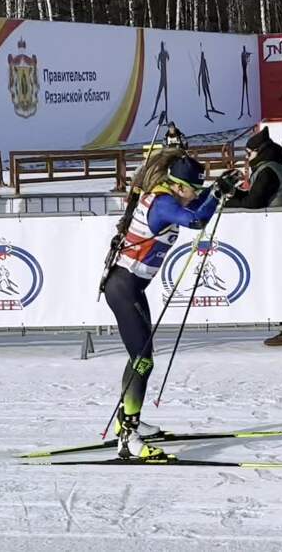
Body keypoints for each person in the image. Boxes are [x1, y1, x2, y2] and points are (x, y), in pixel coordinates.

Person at [104, 152, 236, 459]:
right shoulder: (163, 203)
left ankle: (126, 420)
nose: (194, 195)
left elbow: (199, 202)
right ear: (177, 186)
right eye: (192, 190)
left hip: (130, 286)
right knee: (143, 361)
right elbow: (197, 219)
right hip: (124, 287)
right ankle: (128, 437)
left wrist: (221, 187)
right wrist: (216, 193)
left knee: (140, 358)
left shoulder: (171, 194)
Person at [226, 128, 282, 347]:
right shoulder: (270, 167)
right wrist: (233, 193)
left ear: (259, 151)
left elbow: (253, 203)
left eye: (248, 153)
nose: (247, 158)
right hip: (280, 230)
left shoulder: (268, 170)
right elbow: (254, 197)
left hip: (280, 231)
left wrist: (228, 202)